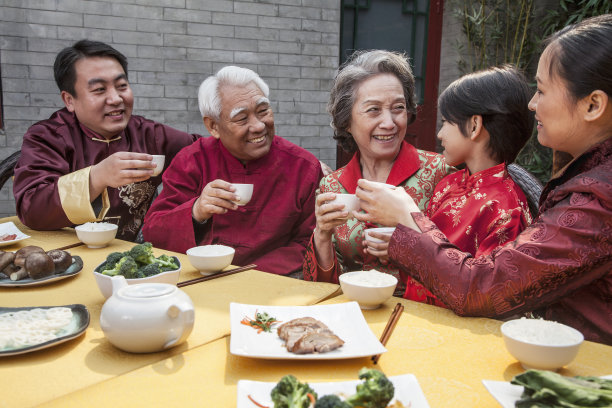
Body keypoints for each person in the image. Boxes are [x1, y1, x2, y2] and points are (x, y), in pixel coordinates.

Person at [355, 15, 612, 344]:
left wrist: (409, 218)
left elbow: (484, 287)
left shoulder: (594, 199)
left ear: (593, 104)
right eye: (372, 110)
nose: (533, 104)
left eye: (543, 90)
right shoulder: (450, 182)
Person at [359, 65, 534, 303]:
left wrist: (407, 217)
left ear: (474, 126)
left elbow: (485, 293)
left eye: (446, 122)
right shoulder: (449, 183)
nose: (440, 134)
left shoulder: (506, 206)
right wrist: (399, 246)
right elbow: (428, 254)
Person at [142, 66, 323, 276]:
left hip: (271, 280)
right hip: (200, 277)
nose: (258, 126)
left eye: (263, 111)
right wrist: (196, 211)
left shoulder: (303, 166)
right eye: (242, 118)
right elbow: (152, 231)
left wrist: (248, 273)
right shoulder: (192, 160)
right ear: (213, 127)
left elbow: (311, 241)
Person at [302, 50, 453, 299]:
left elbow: (462, 270)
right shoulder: (332, 185)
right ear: (346, 121)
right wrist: (322, 235)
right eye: (373, 110)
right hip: (353, 312)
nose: (389, 122)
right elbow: (323, 289)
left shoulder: (440, 172)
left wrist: (409, 248)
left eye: (398, 108)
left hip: (420, 317)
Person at [13, 40, 199, 241]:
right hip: (66, 259)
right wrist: (96, 177)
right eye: (100, 90)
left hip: (130, 259)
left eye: (122, 86)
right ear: (69, 100)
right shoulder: (47, 137)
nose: (116, 98)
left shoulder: (149, 134)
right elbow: (32, 208)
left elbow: (204, 152)